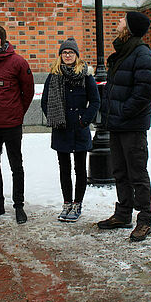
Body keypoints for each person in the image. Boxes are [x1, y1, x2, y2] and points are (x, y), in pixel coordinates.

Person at [96, 11, 151, 242]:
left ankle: (144, 219)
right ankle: (123, 213)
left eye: (122, 19)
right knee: (120, 172)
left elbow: (144, 93)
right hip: (118, 124)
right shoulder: (124, 51)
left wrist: (121, 112)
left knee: (137, 173)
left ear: (129, 28)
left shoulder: (142, 54)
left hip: (131, 126)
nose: (118, 22)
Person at [0, 25, 34, 224]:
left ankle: (18, 205)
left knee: (15, 165)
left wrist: (17, 113)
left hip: (11, 125)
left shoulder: (18, 62)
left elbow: (28, 92)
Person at [41, 38, 100, 222]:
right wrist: (56, 117)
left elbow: (96, 101)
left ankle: (78, 204)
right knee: (64, 168)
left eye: (71, 53)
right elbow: (45, 101)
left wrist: (84, 120)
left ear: (76, 55)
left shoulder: (85, 75)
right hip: (62, 128)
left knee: (80, 169)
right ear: (61, 55)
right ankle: (67, 203)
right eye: (65, 53)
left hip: (79, 128)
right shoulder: (54, 76)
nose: (68, 56)